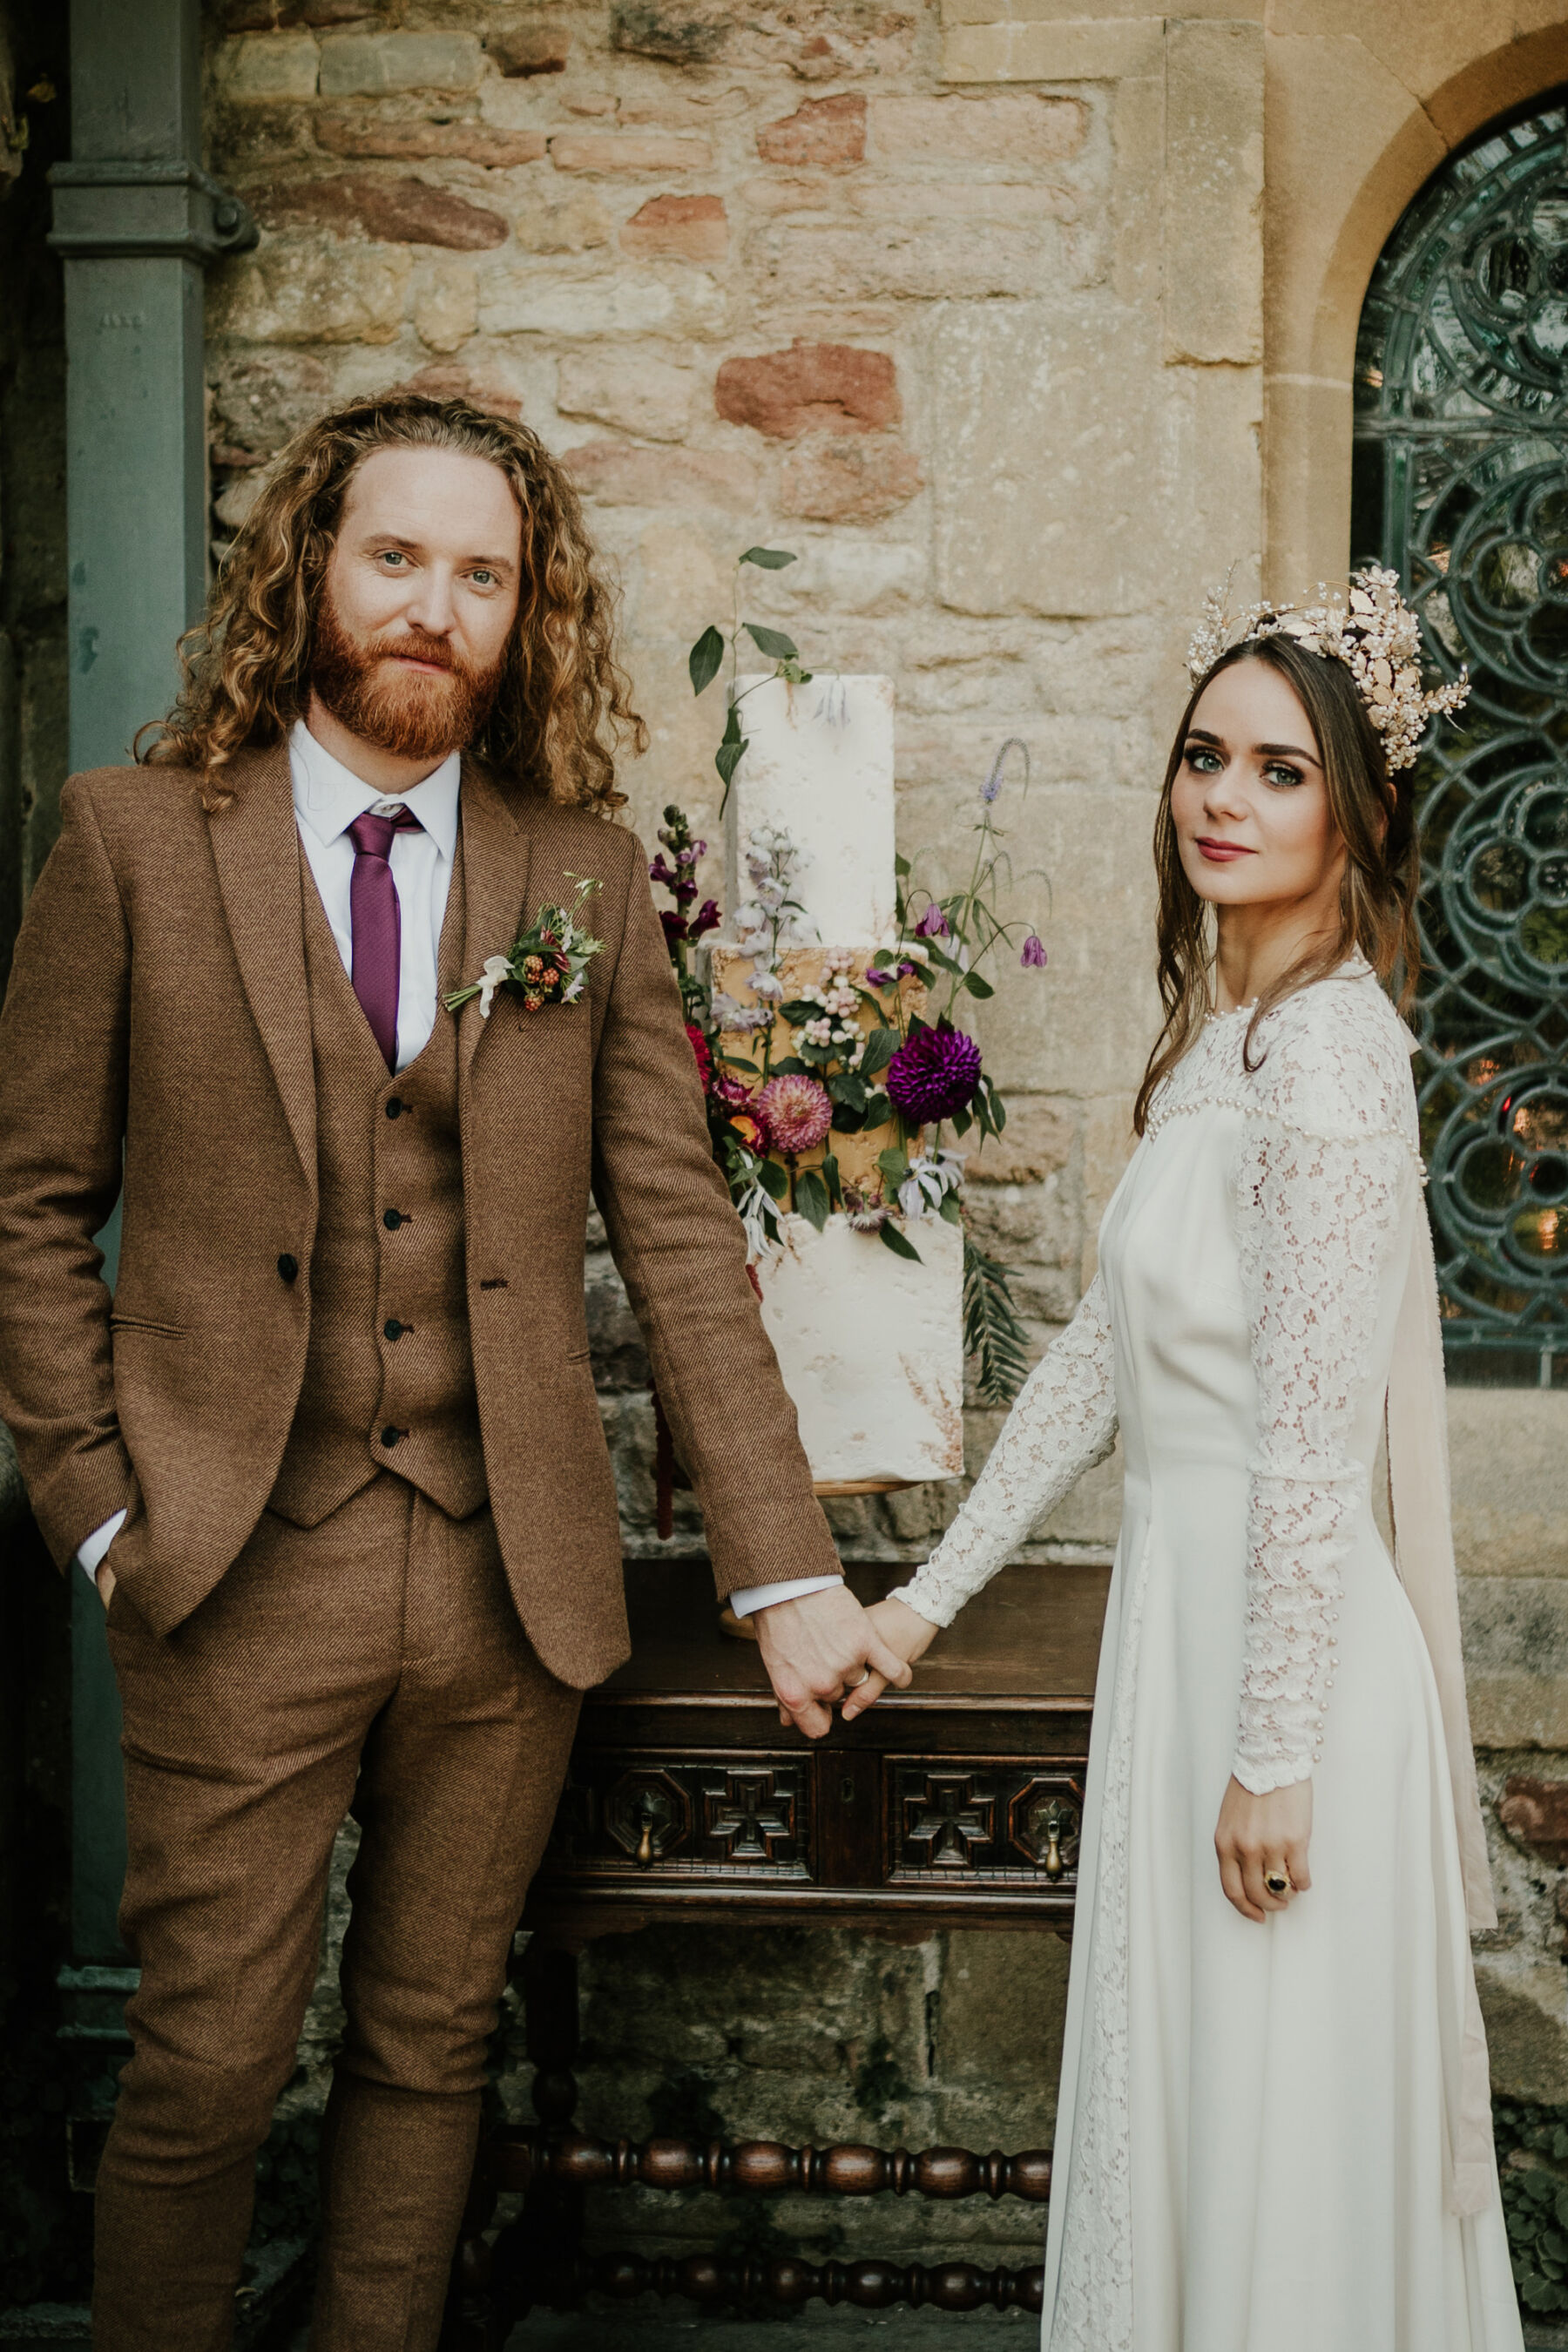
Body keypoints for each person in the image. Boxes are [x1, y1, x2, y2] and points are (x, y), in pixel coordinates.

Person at [0, 390, 909, 2352]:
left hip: (510, 1584)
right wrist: (97, 1514)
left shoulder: (572, 874)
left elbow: (672, 1230)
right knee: (207, 2068)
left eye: (481, 574)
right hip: (229, 1566)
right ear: (310, 571)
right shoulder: (138, 843)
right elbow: (30, 1197)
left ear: (526, 613)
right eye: (395, 557)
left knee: (431, 2053)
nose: (434, 606)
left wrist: (785, 1567)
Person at [846, 573, 1524, 2350]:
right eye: (1203, 756)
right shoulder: (1228, 1046)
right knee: (1193, 2120)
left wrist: (1274, 1755)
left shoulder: (1328, 1066)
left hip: (1276, 1675)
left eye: (1281, 770)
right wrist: (919, 1606)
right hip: (1188, 1634)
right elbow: (1095, 1372)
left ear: (1360, 812)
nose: (1223, 796)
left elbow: (1310, 1450)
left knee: (1268, 2140)